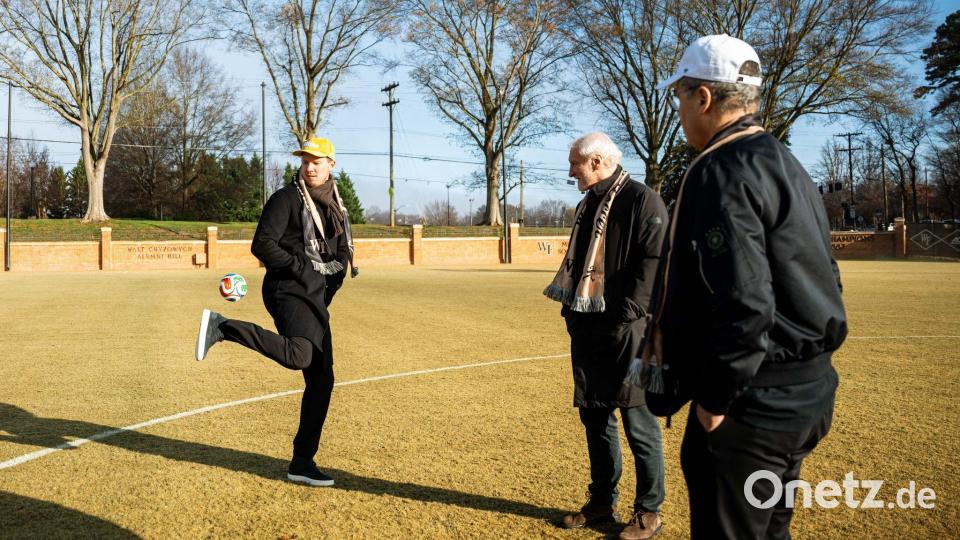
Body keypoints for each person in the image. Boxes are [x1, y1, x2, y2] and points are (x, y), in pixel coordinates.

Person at [650, 34, 848, 538]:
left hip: (755, 405)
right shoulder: (784, 159)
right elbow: (826, 270)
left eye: (680, 96)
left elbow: (745, 300)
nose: (678, 109)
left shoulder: (722, 169)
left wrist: (715, 403)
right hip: (808, 391)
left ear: (704, 98)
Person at [194, 136, 357, 487]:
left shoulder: (337, 208)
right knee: (300, 356)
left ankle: (301, 462)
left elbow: (341, 253)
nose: (310, 166)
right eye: (305, 160)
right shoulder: (285, 199)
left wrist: (330, 281)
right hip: (286, 289)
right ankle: (223, 327)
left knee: (321, 378)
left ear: (331, 164)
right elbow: (262, 244)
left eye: (317, 160)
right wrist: (300, 267)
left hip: (314, 296)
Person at [544, 132, 668, 540]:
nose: (570, 171)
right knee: (595, 416)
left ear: (596, 161)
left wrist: (628, 313)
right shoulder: (587, 205)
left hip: (633, 332)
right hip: (589, 327)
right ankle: (601, 502)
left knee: (639, 420)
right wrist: (572, 314)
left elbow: (654, 263)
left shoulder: (641, 199)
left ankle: (648, 511)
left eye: (574, 164)